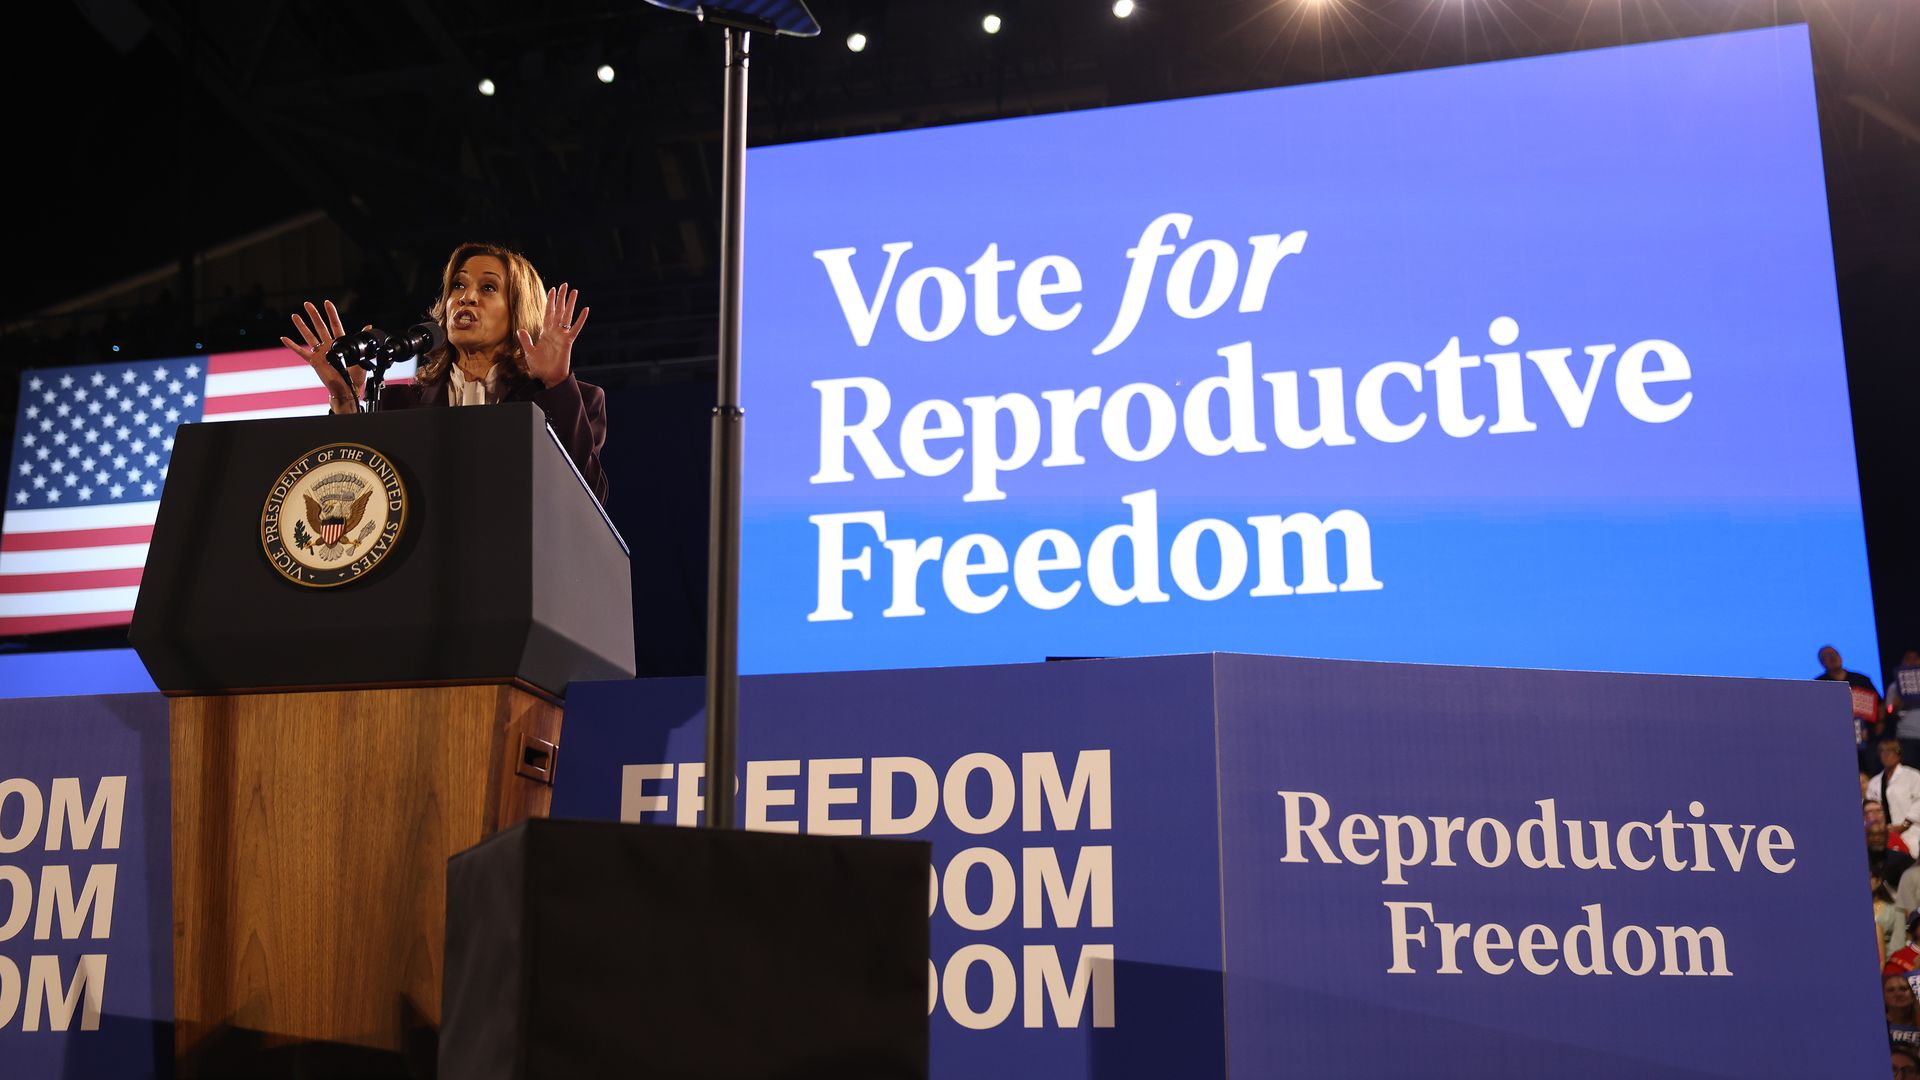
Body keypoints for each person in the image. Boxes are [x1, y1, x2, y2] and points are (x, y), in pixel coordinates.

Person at [279, 241, 608, 503]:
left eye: (488, 288)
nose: (467, 297)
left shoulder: (573, 399)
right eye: (458, 285)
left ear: (518, 309)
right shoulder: (397, 405)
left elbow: (588, 496)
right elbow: (351, 497)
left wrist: (555, 382)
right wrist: (344, 399)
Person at [1820, 645, 1889, 770]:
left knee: (1872, 770)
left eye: (1834, 654)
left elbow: (1879, 703)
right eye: (1827, 656)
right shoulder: (1819, 684)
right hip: (1838, 741)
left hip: (1869, 738)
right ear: (1822, 662)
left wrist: (1880, 723)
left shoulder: (1861, 679)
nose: (1832, 658)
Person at [1874, 739, 1920, 856]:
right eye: (1882, 751)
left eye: (1890, 751)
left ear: (1898, 754)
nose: (1886, 755)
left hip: (1911, 832)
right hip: (1885, 835)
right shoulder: (1875, 782)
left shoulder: (1913, 776)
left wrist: (1904, 825)